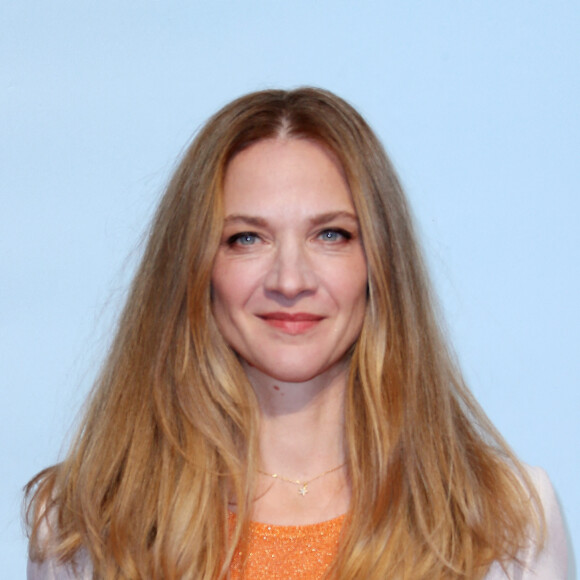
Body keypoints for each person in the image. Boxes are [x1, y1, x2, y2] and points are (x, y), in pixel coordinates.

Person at [25, 88, 568, 579]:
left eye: (331, 235)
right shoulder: (84, 522)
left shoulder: (509, 518)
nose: (290, 280)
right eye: (246, 239)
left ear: (380, 264)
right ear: (193, 268)